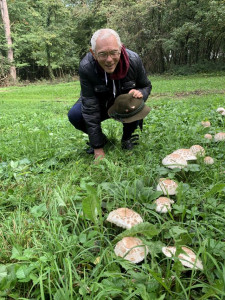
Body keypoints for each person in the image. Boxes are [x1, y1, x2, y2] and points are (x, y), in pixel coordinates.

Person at [68, 28, 152, 161]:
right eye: (102, 54)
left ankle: (127, 138)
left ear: (120, 48)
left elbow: (146, 85)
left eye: (114, 52)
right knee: (75, 115)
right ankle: (101, 140)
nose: (109, 60)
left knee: (135, 102)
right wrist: (97, 147)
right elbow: (90, 107)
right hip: (99, 103)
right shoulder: (86, 67)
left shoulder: (134, 60)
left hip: (123, 104)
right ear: (93, 53)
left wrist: (140, 92)